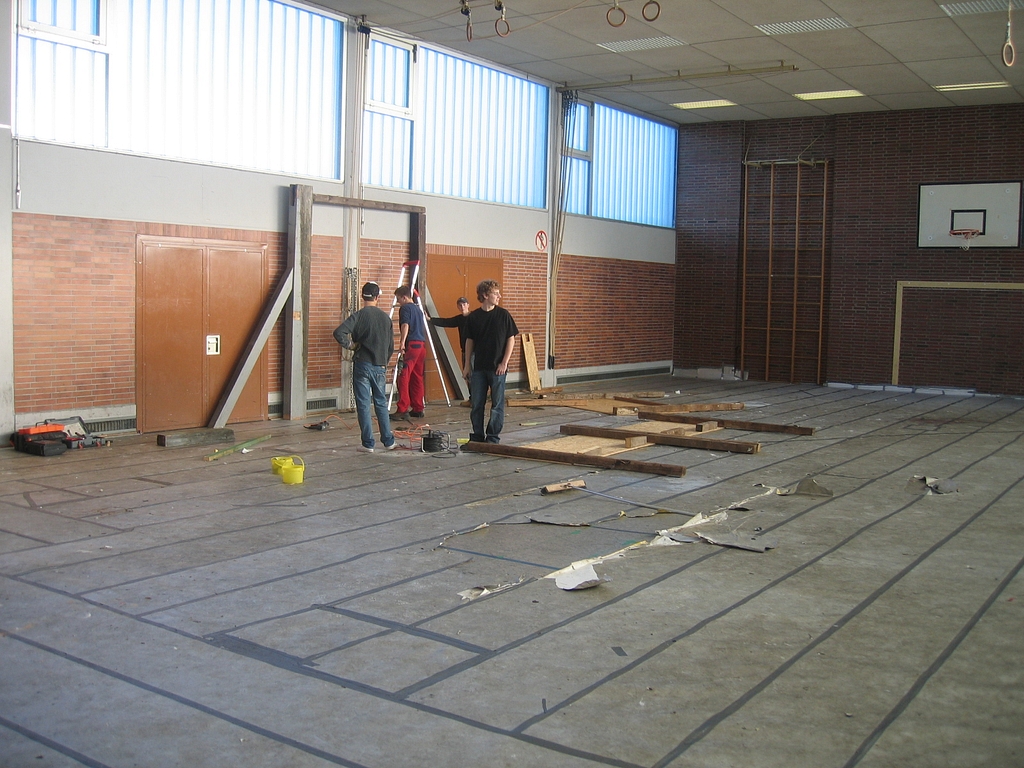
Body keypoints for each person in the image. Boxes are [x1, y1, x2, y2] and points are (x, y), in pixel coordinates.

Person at [333, 282, 396, 453]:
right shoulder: (386, 319)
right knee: (381, 403)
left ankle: (368, 444)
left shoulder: (359, 316)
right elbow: (391, 346)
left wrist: (351, 346)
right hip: (380, 366)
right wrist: (384, 361)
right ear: (377, 297)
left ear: (362, 296)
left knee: (363, 404)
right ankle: (388, 441)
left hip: (362, 364)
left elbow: (339, 332)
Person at [463, 279, 518, 444]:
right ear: (485, 295)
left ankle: (493, 437)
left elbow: (511, 339)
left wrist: (504, 363)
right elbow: (469, 341)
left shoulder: (503, 315)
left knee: (497, 405)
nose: (499, 296)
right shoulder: (474, 317)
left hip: (497, 368)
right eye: (495, 293)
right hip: (479, 368)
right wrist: (467, 366)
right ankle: (477, 436)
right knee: (477, 404)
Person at [393, 285, 427, 419]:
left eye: (398, 299)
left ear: (404, 297)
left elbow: (405, 324)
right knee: (417, 376)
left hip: (412, 345)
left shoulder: (405, 308)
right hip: (421, 345)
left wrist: (402, 342)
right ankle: (418, 408)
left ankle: (402, 408)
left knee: (403, 375)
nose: (398, 302)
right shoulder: (418, 309)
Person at [431, 296, 471, 366]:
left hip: (475, 351)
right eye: (460, 305)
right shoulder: (459, 319)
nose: (462, 307)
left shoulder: (475, 316)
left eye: (464, 304)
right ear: (458, 307)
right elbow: (446, 322)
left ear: (468, 305)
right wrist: (430, 319)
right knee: (466, 371)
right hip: (464, 351)